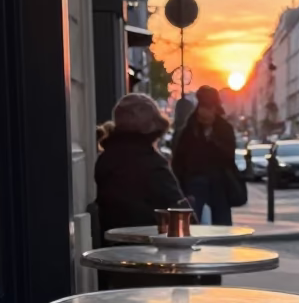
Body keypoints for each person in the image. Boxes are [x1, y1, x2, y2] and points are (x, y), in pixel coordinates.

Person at [94, 93, 185, 238]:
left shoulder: (105, 159)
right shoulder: (152, 163)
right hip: (148, 246)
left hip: (112, 244)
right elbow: (179, 211)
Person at [172, 85, 237, 225]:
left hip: (219, 181)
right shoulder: (190, 128)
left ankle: (223, 245)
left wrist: (212, 139)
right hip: (195, 181)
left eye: (210, 107)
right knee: (192, 222)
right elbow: (179, 160)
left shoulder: (224, 128)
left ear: (215, 108)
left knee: (222, 225)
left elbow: (229, 156)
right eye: (203, 106)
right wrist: (182, 188)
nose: (205, 111)